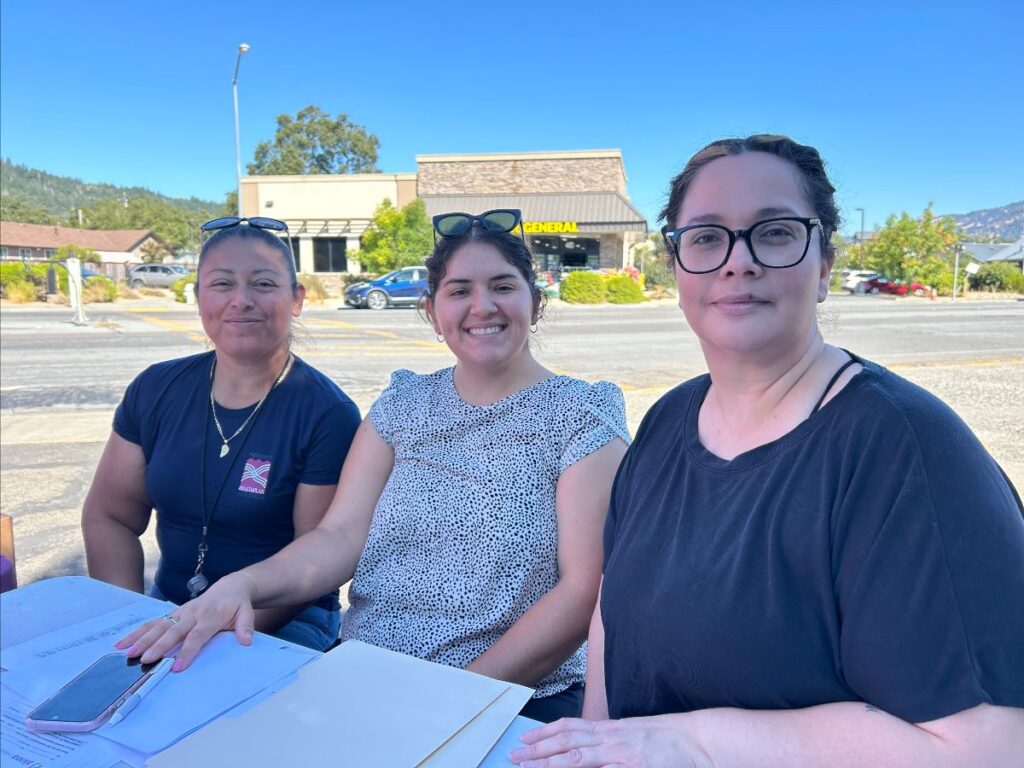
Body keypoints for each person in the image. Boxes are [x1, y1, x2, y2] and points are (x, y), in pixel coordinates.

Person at [511, 135, 1024, 766]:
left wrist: (694, 739)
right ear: (675, 266)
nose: (737, 261)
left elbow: (989, 750)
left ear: (826, 265)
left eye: (774, 232)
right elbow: (610, 617)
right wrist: (594, 744)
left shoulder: (905, 451)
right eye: (705, 236)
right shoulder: (668, 422)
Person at [118, 210, 630, 722]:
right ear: (432, 312)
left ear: (534, 303)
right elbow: (339, 537)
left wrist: (455, 699)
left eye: (502, 286)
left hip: (509, 697)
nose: (482, 306)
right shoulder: (402, 405)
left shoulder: (580, 417)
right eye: (459, 291)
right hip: (364, 677)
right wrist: (244, 584)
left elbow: (583, 589)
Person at [83, 217, 361, 651]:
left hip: (279, 619)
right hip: (170, 611)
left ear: (297, 299)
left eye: (264, 284)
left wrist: (210, 634)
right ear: (198, 298)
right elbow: (110, 517)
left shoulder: (328, 414)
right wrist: (127, 619)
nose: (242, 300)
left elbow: (316, 559)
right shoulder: (155, 390)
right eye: (222, 284)